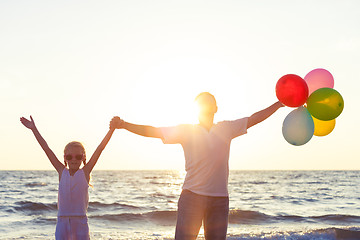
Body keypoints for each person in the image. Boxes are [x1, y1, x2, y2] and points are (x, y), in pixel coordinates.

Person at [112, 92, 284, 240]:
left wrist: (278, 104)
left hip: (220, 199)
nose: (206, 105)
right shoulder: (187, 131)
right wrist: (125, 125)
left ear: (216, 108)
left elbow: (254, 118)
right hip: (192, 197)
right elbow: (153, 131)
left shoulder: (227, 128)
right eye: (202, 103)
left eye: (209, 102)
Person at [20, 115, 118, 240]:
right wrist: (34, 129)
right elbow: (46, 149)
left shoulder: (85, 172)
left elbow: (100, 149)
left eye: (78, 157)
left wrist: (112, 130)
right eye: (69, 157)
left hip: (81, 222)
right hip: (62, 222)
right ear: (65, 157)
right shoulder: (62, 171)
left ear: (83, 157)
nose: (73, 160)